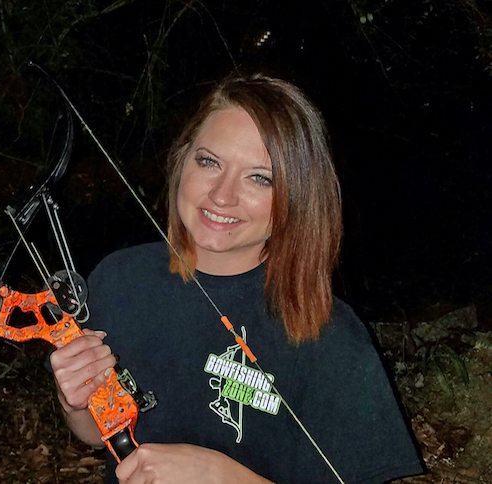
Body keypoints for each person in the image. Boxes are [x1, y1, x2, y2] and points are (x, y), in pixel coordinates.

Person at [49, 74, 424, 483]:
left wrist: (220, 475)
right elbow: (96, 433)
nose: (222, 195)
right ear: (182, 159)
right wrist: (76, 403)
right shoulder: (119, 280)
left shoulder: (332, 336)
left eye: (259, 177)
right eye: (209, 162)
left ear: (297, 197)